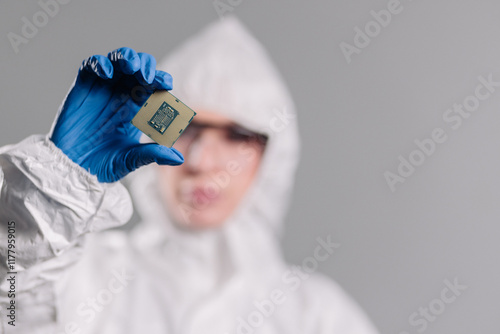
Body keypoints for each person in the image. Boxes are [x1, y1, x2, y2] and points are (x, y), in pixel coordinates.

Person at [0, 17, 379, 334]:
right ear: (151, 129)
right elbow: (12, 306)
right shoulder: (80, 274)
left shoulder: (316, 315)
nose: (201, 160)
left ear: (274, 158)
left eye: (238, 136)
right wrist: (47, 198)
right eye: (186, 129)